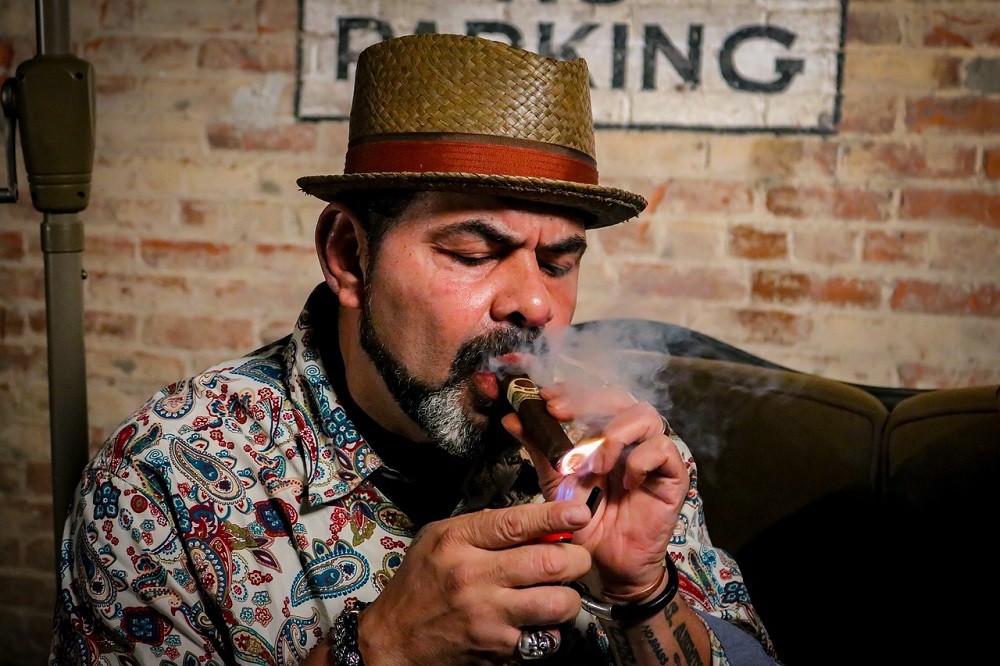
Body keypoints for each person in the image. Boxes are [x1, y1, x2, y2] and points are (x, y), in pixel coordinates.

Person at [50, 33, 778, 665]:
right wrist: (381, 649)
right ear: (349, 255)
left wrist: (643, 592)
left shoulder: (616, 447)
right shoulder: (164, 480)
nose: (534, 304)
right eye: (472, 252)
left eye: (558, 262)